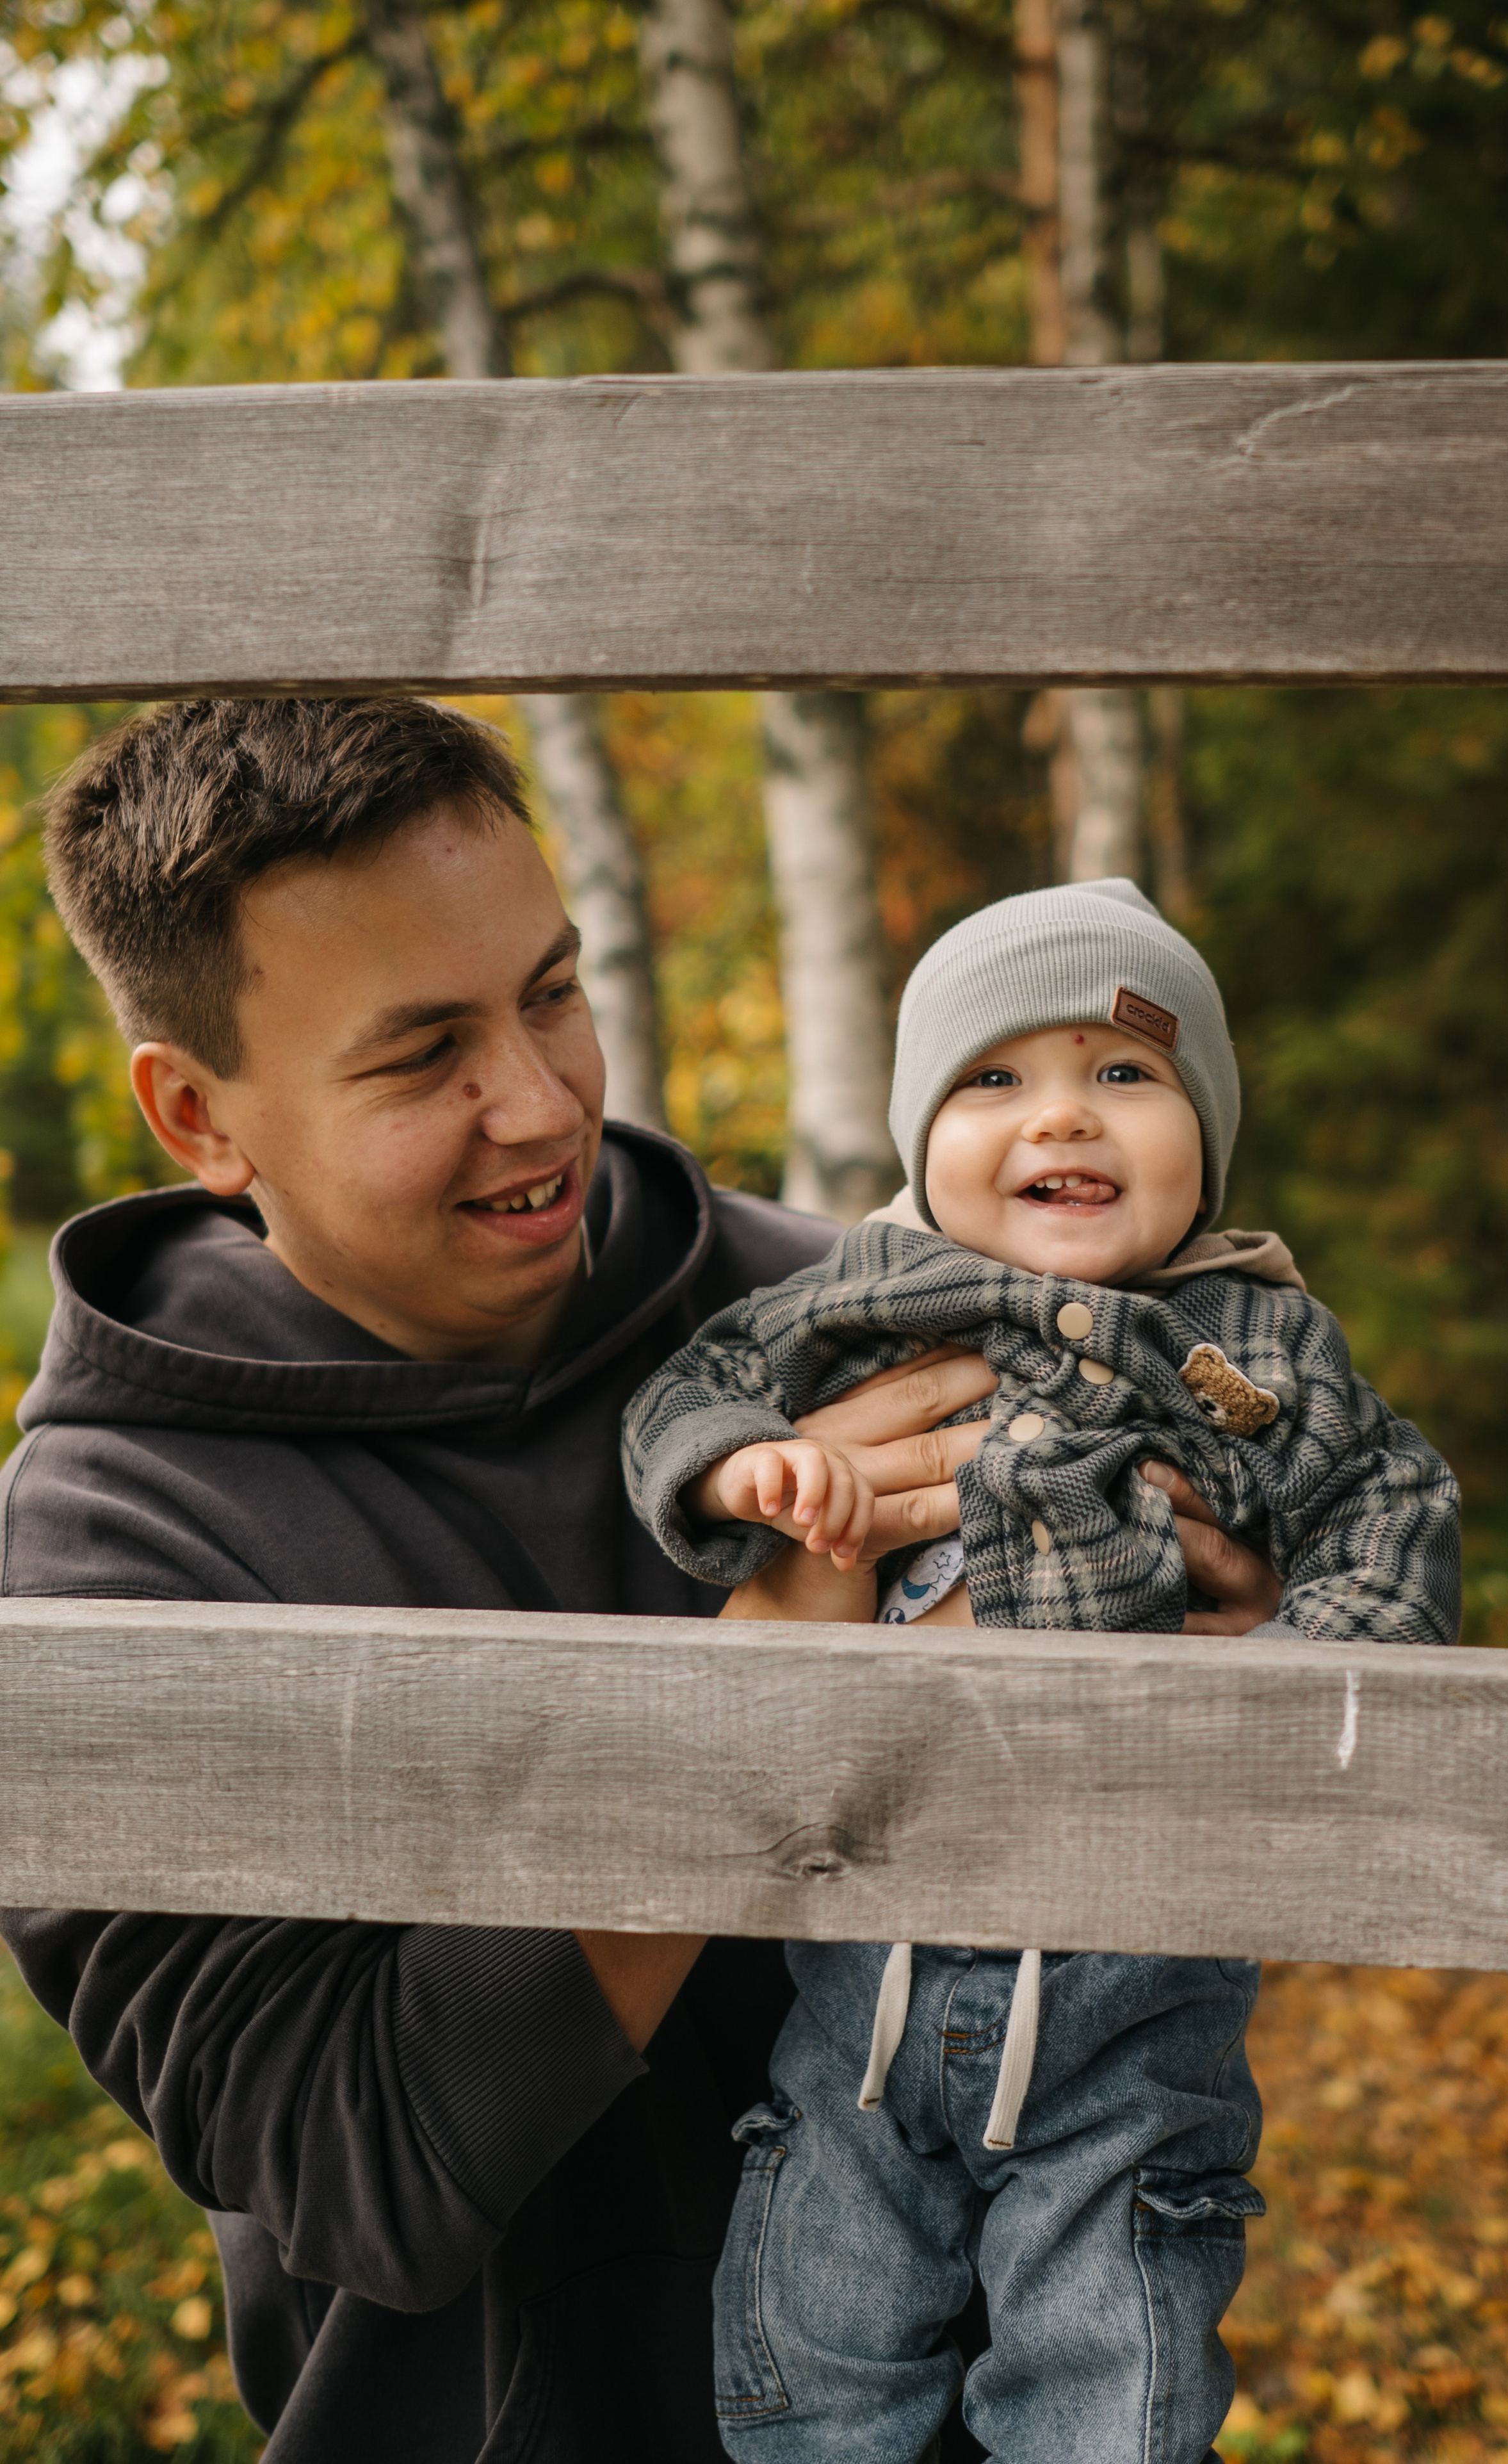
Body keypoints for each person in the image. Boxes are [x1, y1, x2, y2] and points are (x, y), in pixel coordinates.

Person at [0, 701, 1282, 2464]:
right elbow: (361, 2166)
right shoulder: (103, 1560)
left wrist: (1227, 1621)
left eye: (551, 991)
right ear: (201, 1115)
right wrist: (760, 1692)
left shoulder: (851, 1311)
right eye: (420, 1052)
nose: (537, 1103)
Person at [622, 879, 1462, 2464]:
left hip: (1130, 1979)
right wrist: (745, 1474)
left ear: (1205, 1136)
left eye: (1124, 1074)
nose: (1059, 1117)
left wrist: (1295, 1681)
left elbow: (1390, 1511)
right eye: (994, 1078)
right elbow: (698, 1385)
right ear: (916, 1132)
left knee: (1114, 2378)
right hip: (867, 1954)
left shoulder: (1258, 1348)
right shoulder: (860, 1302)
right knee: (811, 2343)